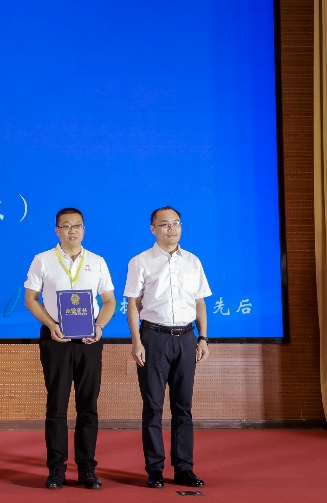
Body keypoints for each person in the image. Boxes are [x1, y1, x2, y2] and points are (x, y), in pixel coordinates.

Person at [24, 207, 117, 490]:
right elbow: (31, 299)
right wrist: (51, 325)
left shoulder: (97, 261)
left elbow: (109, 301)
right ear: (57, 231)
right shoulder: (42, 260)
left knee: (88, 405)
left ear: (84, 229)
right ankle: (56, 469)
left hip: (90, 341)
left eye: (77, 226)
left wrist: (99, 326)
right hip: (56, 339)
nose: (72, 231)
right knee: (57, 405)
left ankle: (87, 468)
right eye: (66, 226)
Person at [124, 206, 210, 489]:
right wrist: (136, 341)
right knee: (153, 406)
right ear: (153, 229)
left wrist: (203, 338)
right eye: (164, 224)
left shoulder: (193, 261)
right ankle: (155, 469)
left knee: (183, 407)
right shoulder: (141, 261)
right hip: (154, 338)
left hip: (186, 338)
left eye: (176, 223)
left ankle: (184, 468)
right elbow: (133, 305)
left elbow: (200, 302)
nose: (171, 229)